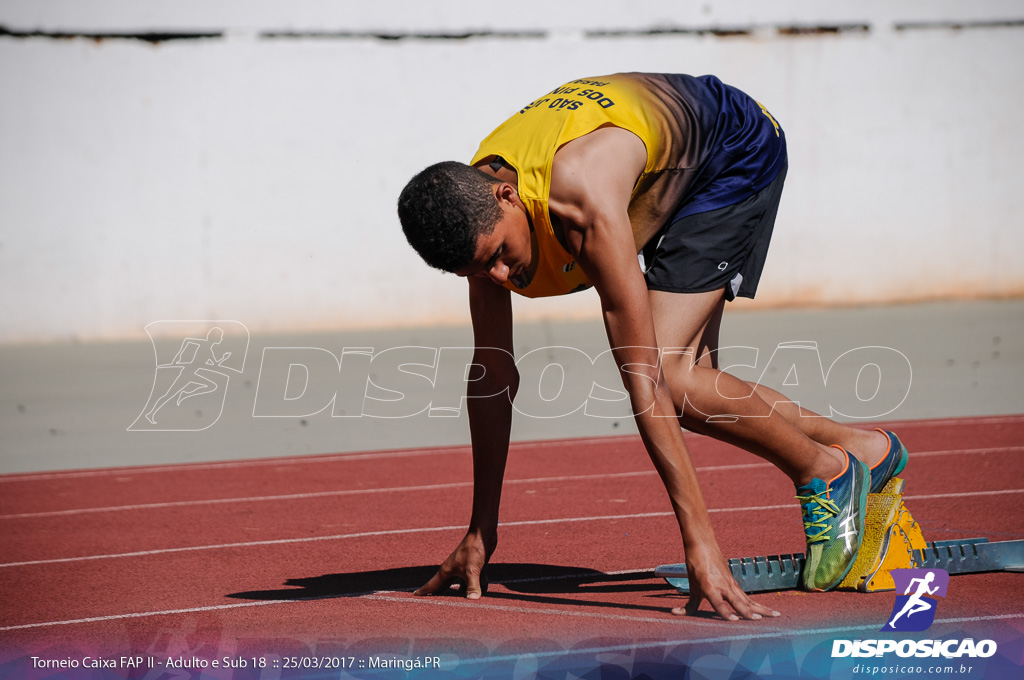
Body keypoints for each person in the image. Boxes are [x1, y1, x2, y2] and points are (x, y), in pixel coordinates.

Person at [397, 72, 909, 621]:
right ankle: (867, 450)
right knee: (693, 382)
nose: (501, 277)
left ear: (507, 195)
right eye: (478, 272)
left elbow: (644, 382)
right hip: (655, 174)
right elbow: (495, 377)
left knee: (674, 377)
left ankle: (824, 470)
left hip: (730, 151)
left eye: (499, 255)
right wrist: (481, 531)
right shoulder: (474, 215)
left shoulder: (579, 200)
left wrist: (702, 546)